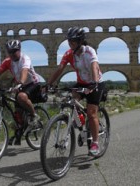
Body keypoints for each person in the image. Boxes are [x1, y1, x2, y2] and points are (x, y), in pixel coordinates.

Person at [44, 27, 106, 156]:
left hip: (96, 83)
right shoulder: (68, 54)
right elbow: (60, 68)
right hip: (81, 83)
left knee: (91, 112)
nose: (70, 44)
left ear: (80, 41)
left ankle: (95, 143)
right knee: (71, 101)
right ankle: (80, 122)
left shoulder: (89, 51)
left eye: (73, 41)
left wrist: (94, 83)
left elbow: (94, 66)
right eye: (69, 41)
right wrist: (48, 84)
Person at [0, 39, 41, 145]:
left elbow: (24, 71)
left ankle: (34, 116)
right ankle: (19, 132)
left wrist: (21, 82)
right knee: (17, 111)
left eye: (14, 51)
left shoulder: (25, 58)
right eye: (10, 52)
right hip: (20, 84)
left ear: (19, 50)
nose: (12, 54)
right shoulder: (7, 61)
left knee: (21, 97)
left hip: (33, 84)